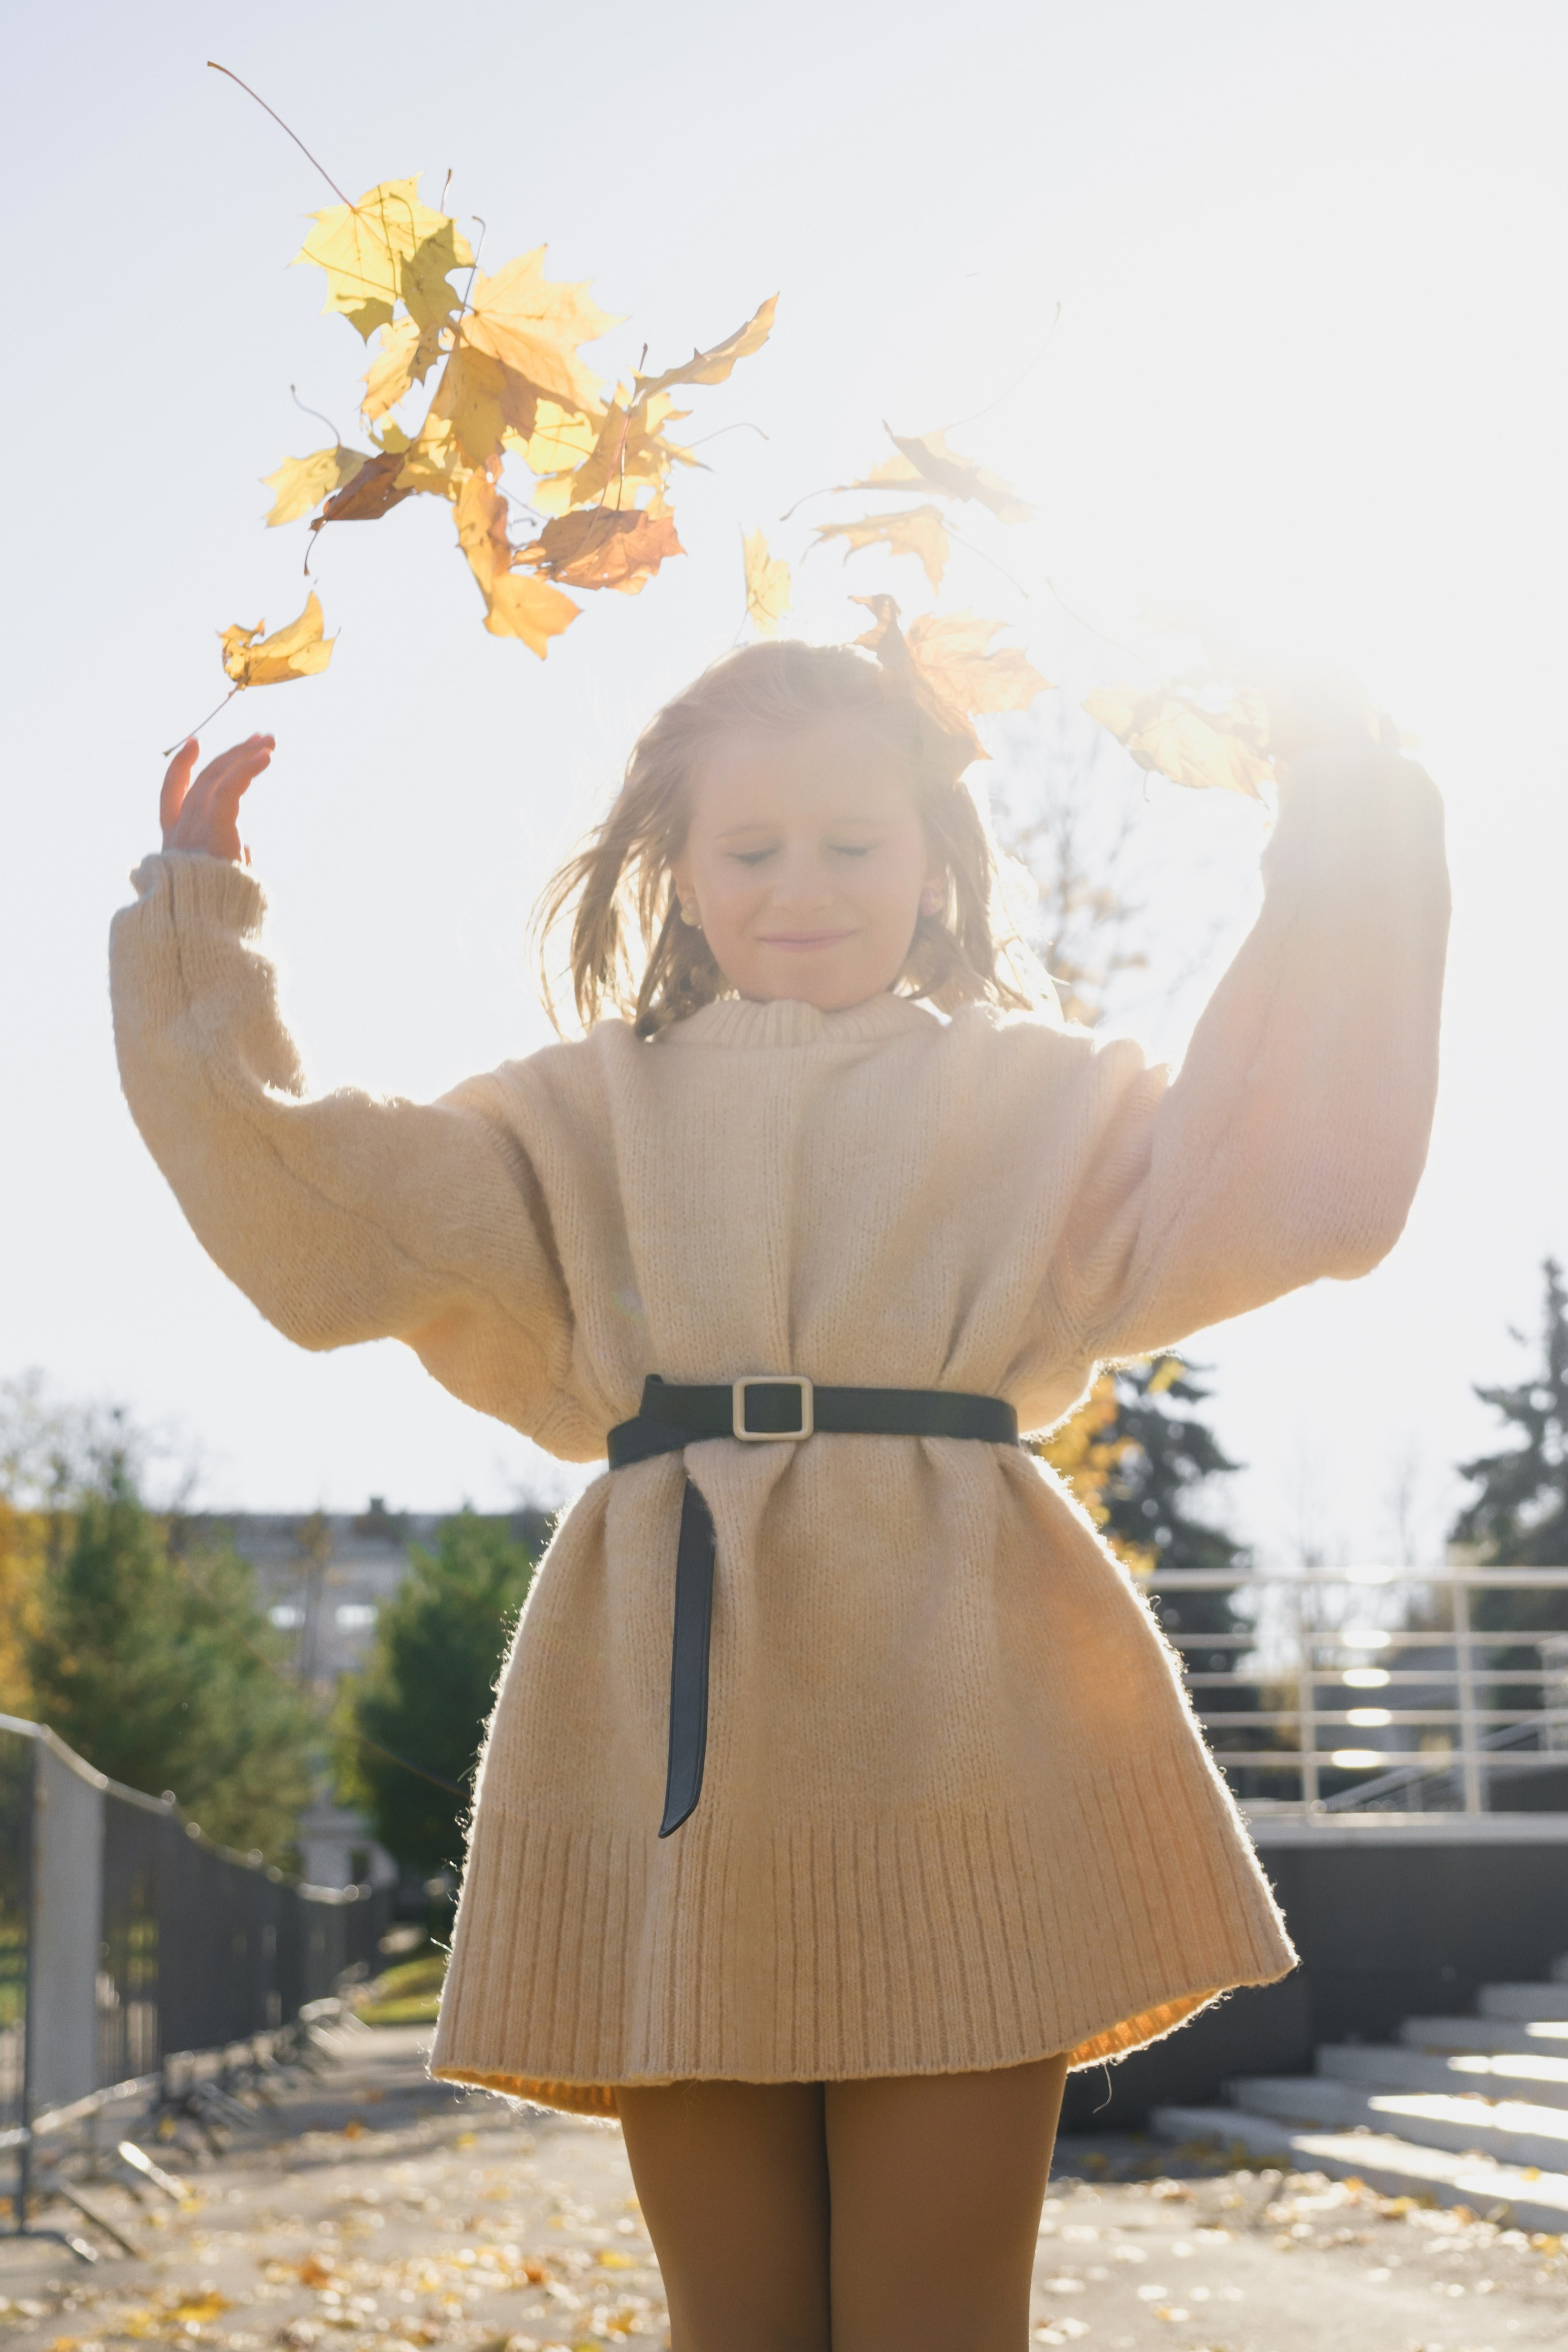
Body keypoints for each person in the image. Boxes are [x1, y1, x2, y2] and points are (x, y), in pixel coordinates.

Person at [110, 638, 1449, 2350]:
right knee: (734, 2321)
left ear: (937, 859)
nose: (802, 886)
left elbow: (1307, 1179)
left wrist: (1355, 829)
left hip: (969, 1734)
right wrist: (192, 932)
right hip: (669, 1751)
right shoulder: (573, 1116)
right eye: (751, 850)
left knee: (939, 2319)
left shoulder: (1037, 1096)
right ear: (675, 871)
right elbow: (311, 1228)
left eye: (853, 844)